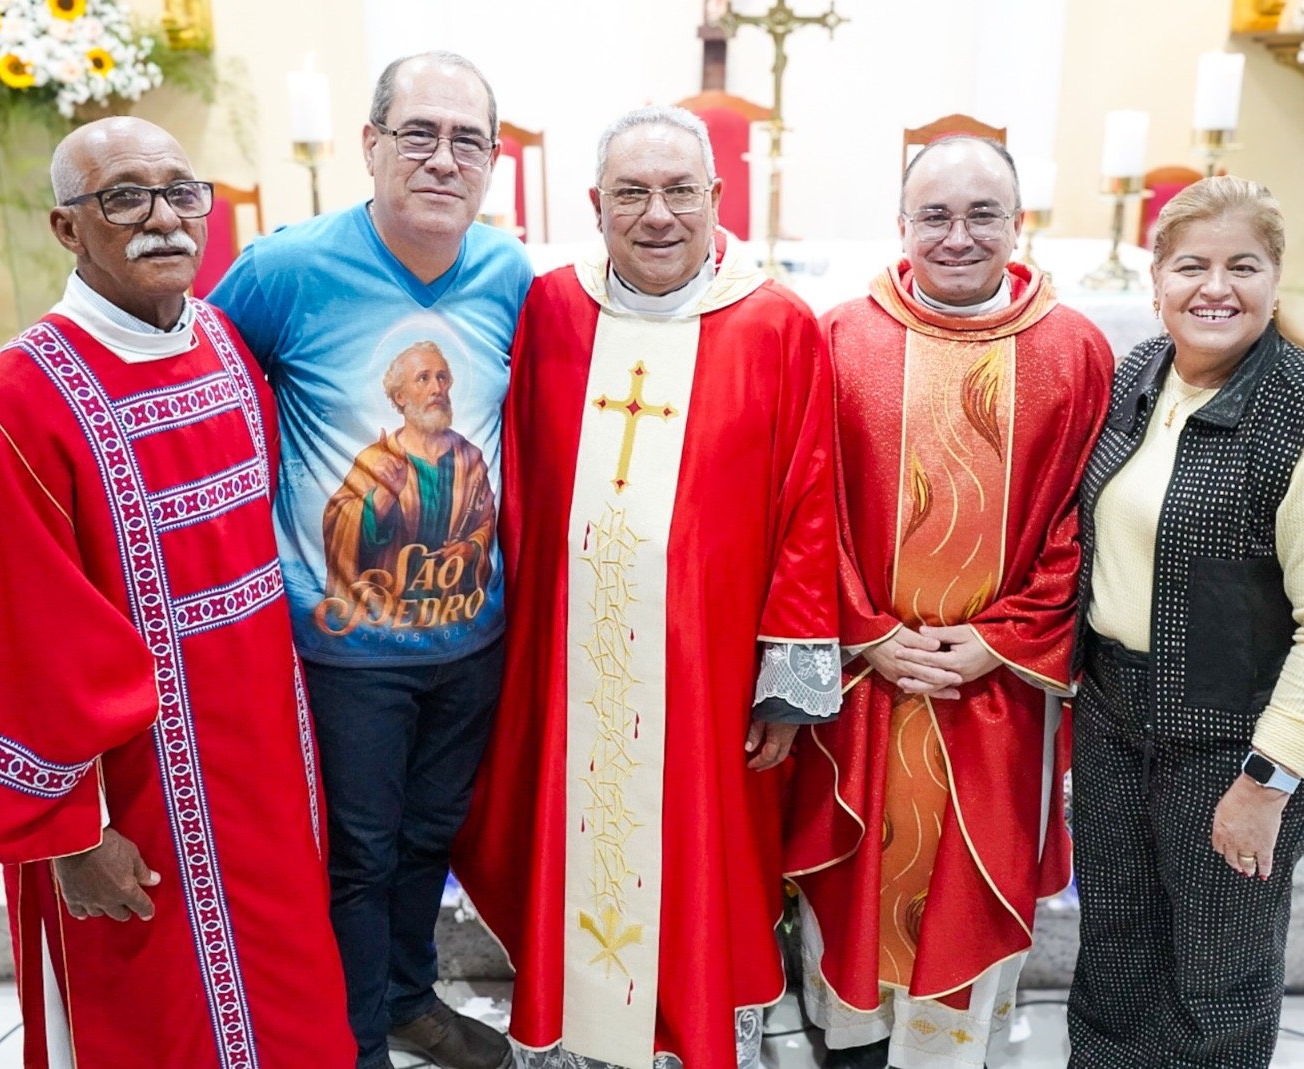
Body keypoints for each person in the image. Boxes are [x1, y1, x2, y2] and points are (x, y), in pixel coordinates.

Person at [0, 116, 353, 1069]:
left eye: (180, 191)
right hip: (137, 803)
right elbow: (8, 643)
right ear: (66, 228)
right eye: (124, 196)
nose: (163, 217)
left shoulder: (222, 345)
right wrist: (72, 834)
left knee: (291, 1008)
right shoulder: (15, 406)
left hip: (268, 781)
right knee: (161, 1022)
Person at [452, 105, 841, 1069]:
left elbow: (812, 505)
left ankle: (701, 1034)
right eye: (632, 193)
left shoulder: (776, 324)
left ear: (716, 200)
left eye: (679, 192)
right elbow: (512, 483)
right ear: (596, 205)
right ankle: (575, 1032)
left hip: (708, 680)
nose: (657, 214)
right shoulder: (552, 309)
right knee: (577, 839)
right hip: (572, 665)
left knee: (704, 859)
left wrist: (788, 681)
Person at [207, 50, 530, 1069]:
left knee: (429, 835)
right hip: (341, 642)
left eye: (466, 140)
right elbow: (199, 390)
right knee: (357, 852)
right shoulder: (284, 269)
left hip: (473, 633)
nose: (442, 158)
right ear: (372, 146)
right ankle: (352, 1038)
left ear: (491, 161)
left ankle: (405, 996)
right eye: (419, 134)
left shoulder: (513, 276)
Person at [783, 136, 1114, 1069]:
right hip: (867, 683)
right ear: (901, 225)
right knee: (856, 883)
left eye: (982, 215)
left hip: (993, 689)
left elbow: (1082, 521)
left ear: (1019, 225)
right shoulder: (843, 336)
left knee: (968, 885)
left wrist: (997, 640)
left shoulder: (1075, 350)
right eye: (936, 215)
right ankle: (850, 1051)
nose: (958, 236)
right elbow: (809, 508)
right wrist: (871, 631)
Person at [1067, 176, 1304, 1068]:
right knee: (1114, 963)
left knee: (1216, 985)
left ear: (1276, 280)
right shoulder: (1141, 375)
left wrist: (1265, 783)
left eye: (1241, 266)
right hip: (1115, 713)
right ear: (1157, 281)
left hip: (1236, 740)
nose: (1215, 287)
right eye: (1192, 266)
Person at [321, 339, 496, 612]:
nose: (436, 388)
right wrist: (382, 497)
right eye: (423, 379)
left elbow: (485, 522)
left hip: (456, 609)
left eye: (442, 377)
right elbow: (337, 527)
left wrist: (472, 549)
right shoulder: (376, 460)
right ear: (400, 397)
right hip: (386, 613)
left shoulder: (470, 459)